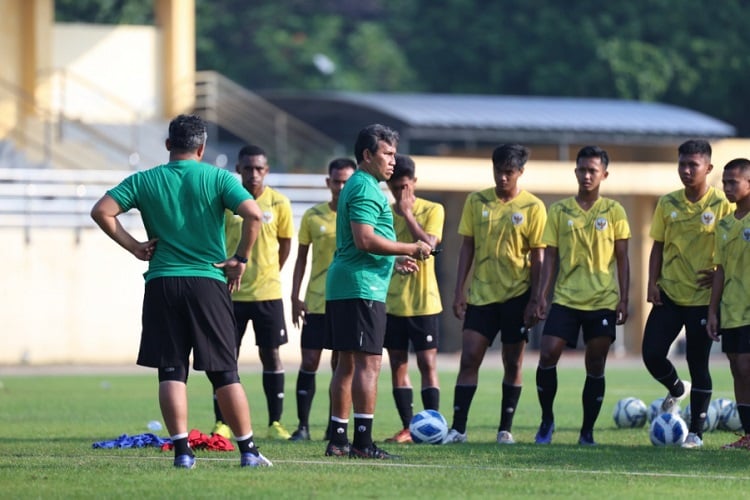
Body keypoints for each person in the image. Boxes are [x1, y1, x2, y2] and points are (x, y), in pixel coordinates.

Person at [90, 114, 271, 468]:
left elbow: (102, 211)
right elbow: (253, 214)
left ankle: (182, 453)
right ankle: (248, 451)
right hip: (207, 281)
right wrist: (240, 259)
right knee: (223, 372)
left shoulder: (145, 179)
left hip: (162, 282)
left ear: (169, 145)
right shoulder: (217, 177)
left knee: (171, 370)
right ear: (202, 148)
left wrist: (135, 247)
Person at [324, 123, 433, 459]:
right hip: (360, 287)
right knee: (369, 364)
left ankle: (339, 439)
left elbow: (364, 245)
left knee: (346, 364)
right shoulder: (365, 188)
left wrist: (395, 259)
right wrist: (411, 248)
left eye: (394, 153)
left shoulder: (361, 184)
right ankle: (362, 442)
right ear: (367, 155)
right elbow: (365, 239)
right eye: (387, 153)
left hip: (350, 281)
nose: (393, 160)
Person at [442, 144, 547, 445]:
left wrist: (536, 298)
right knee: (470, 356)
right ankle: (459, 428)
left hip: (517, 295)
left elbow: (538, 255)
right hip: (482, 295)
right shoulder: (476, 201)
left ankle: (505, 429)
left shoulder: (533, 207)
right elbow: (467, 247)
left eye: (509, 173)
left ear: (520, 173)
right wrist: (459, 290)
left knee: (513, 362)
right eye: (498, 171)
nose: (502, 178)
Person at [533, 145, 630, 446]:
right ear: (575, 172)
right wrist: (541, 295)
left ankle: (587, 431)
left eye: (593, 171)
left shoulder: (614, 211)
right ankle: (547, 420)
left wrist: (624, 298)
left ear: (604, 174)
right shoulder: (559, 210)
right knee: (548, 353)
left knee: (596, 362)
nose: (587, 175)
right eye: (582, 170)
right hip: (565, 298)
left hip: (602, 300)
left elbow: (623, 258)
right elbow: (549, 256)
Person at [641, 139, 733, 449]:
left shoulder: (723, 204)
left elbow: (734, 246)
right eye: (682, 163)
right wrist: (652, 282)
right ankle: (677, 389)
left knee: (698, 363)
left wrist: (722, 275)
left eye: (692, 165)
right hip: (669, 294)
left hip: (702, 300)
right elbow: (658, 246)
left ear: (708, 168)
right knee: (651, 354)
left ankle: (695, 433)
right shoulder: (668, 203)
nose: (686, 170)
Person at [213, 145, 295, 441]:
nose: (254, 174)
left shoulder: (279, 203)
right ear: (239, 169)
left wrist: (271, 271)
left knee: (271, 355)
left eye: (260, 169)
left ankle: (275, 422)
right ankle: (222, 422)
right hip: (230, 294)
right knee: (224, 357)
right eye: (248, 168)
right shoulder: (228, 203)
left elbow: (285, 245)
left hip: (267, 293)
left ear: (267, 170)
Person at [288, 158, 357, 441]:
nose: (341, 186)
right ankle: (303, 427)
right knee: (310, 361)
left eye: (346, 181)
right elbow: (301, 258)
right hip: (317, 300)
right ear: (328, 182)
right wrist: (294, 294)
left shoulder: (358, 215)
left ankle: (334, 425)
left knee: (341, 364)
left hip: (346, 299)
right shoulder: (313, 216)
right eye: (336, 181)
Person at [382, 154, 445, 444]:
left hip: (424, 302)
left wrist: (408, 213)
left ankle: (434, 426)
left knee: (427, 364)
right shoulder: (382, 211)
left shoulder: (434, 209)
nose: (399, 194)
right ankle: (408, 427)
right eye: (395, 188)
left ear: (414, 183)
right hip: (393, 301)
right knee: (398, 364)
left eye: (404, 187)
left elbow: (430, 245)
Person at [707, 158, 750, 449]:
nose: (727, 187)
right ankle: (748, 435)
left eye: (733, 182)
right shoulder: (723, 224)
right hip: (731, 308)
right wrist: (712, 310)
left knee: (746, 366)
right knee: (736, 367)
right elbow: (719, 270)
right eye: (724, 182)